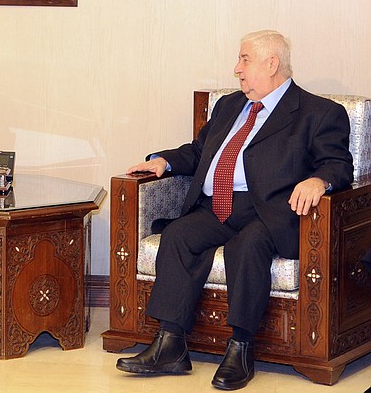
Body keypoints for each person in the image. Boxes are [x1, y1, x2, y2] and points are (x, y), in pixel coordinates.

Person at [116, 30, 353, 391]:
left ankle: (241, 347)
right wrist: (165, 161)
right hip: (218, 206)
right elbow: (199, 152)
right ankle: (171, 345)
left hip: (270, 211)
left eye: (244, 60)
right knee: (178, 235)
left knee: (248, 246)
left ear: (271, 64)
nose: (236, 69)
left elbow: (338, 164)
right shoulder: (229, 105)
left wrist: (319, 181)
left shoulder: (318, 113)